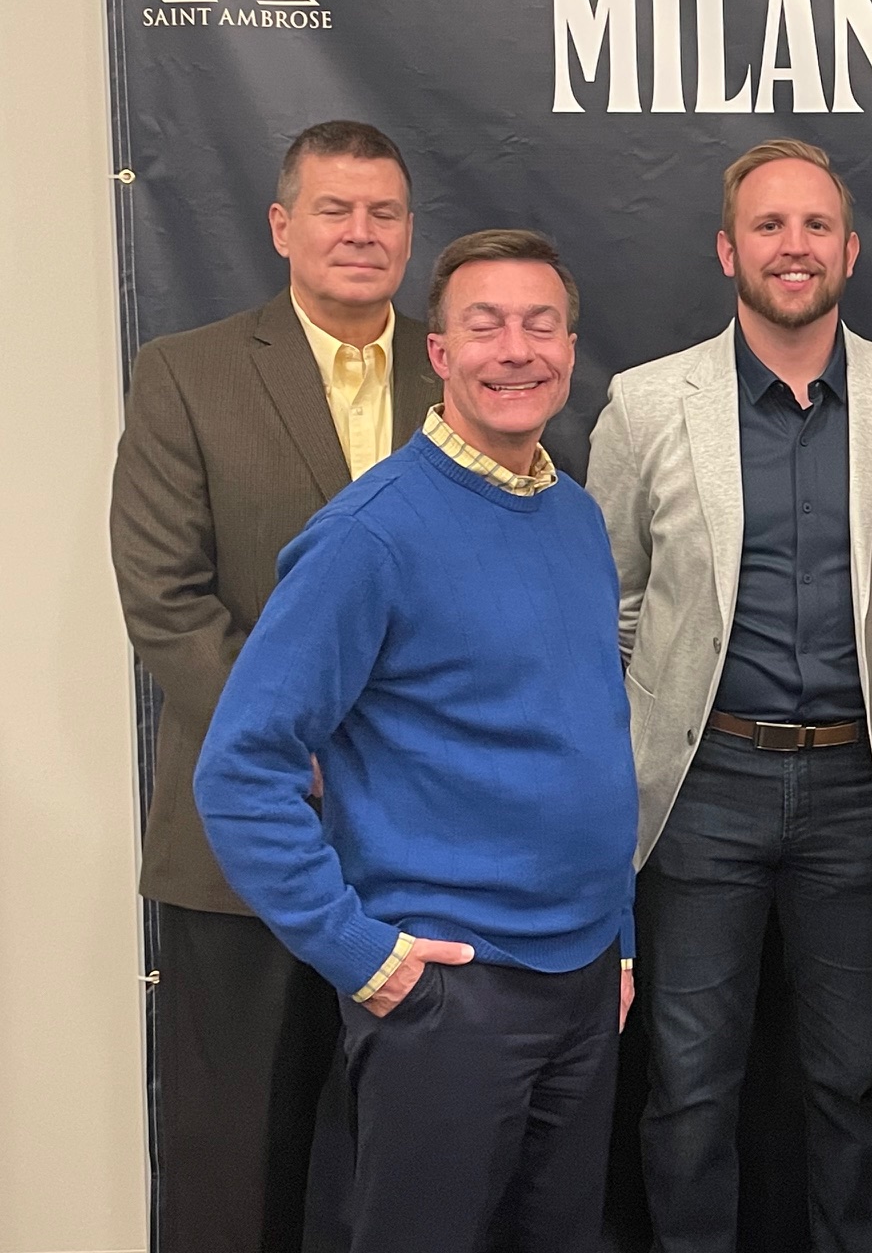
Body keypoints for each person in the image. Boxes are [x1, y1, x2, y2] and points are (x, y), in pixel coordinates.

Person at [192, 229, 637, 1253]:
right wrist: (363, 954)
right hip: (449, 990)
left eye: (542, 325)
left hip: (582, 979)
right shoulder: (371, 536)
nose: (516, 350)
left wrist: (619, 934)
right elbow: (241, 768)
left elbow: (591, 738)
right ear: (438, 354)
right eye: (486, 327)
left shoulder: (572, 517)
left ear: (572, 349)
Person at [587, 139, 872, 1253]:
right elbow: (609, 603)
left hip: (864, 789)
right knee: (691, 1084)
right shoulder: (648, 404)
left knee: (852, 1086)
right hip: (701, 789)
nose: (792, 247)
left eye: (814, 226)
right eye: (768, 226)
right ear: (727, 250)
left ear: (850, 250)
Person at [108, 119, 436, 1253]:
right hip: (244, 842)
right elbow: (164, 593)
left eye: (383, 212)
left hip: (423, 849)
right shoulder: (187, 374)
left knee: (406, 1165)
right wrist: (278, 745)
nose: (361, 233)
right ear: (282, 226)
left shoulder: (465, 375)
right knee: (237, 1162)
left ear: (410, 232)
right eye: (335, 210)